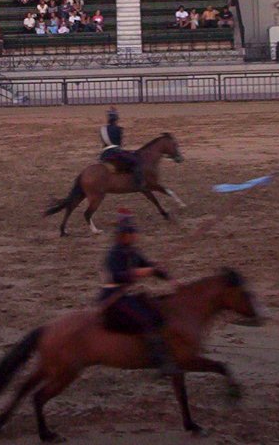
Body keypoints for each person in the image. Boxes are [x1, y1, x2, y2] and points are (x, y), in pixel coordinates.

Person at [99, 209, 177, 376]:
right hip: (113, 297)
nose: (134, 236)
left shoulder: (132, 252)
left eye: (133, 232)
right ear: (123, 235)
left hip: (126, 294)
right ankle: (158, 361)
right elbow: (115, 275)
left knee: (155, 311)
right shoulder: (114, 254)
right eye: (131, 233)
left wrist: (168, 278)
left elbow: (149, 266)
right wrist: (136, 273)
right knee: (145, 318)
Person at [98, 109, 143, 189]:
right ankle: (138, 183)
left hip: (104, 154)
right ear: (116, 119)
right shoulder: (118, 129)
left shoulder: (102, 129)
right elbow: (119, 144)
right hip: (115, 153)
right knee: (136, 161)